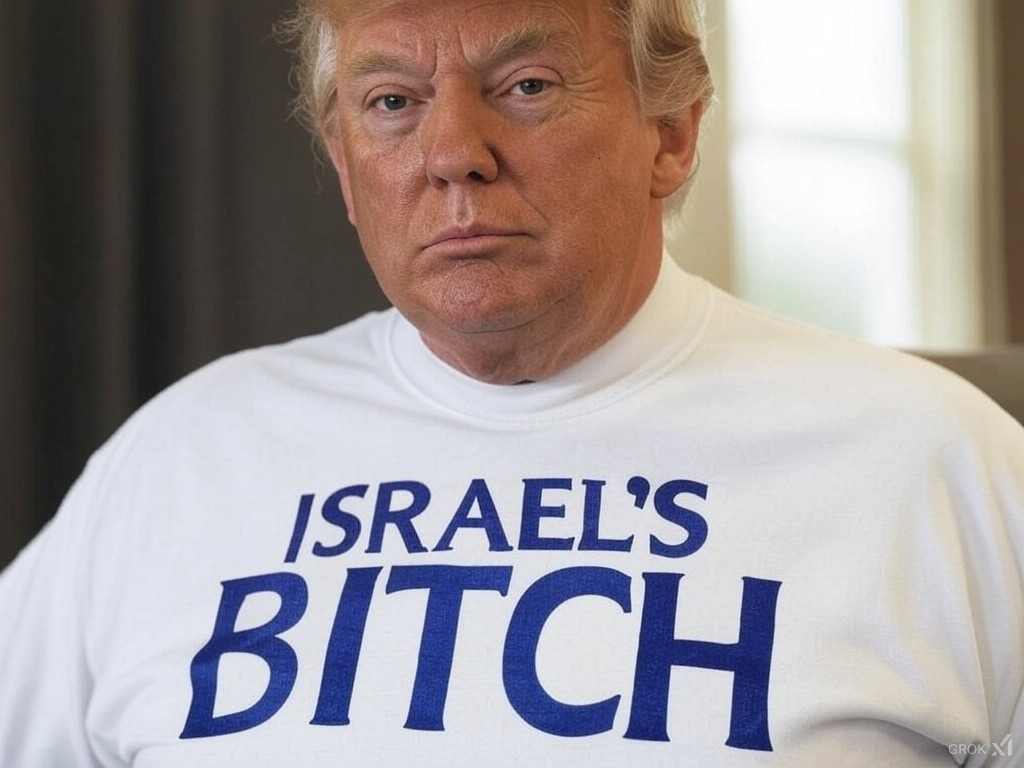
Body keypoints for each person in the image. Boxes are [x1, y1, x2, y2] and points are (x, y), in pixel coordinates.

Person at [1, 0, 1022, 765]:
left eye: (526, 86)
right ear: (345, 165)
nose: (453, 154)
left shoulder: (929, 461)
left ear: (671, 132)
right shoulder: (183, 458)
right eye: (392, 103)